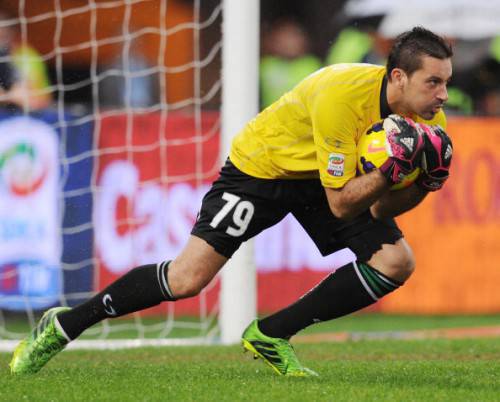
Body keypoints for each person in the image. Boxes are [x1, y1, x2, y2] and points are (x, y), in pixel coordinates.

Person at [10, 26, 454, 376]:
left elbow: (379, 208)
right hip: (262, 169)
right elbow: (342, 205)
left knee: (395, 261)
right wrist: (390, 172)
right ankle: (66, 324)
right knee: (186, 279)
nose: (443, 95)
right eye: (433, 82)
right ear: (398, 76)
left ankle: (271, 334)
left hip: (318, 180)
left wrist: (422, 185)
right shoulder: (342, 94)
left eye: (445, 83)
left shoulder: (428, 120)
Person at [260, 18, 322, 109]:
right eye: (283, 38)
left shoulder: (311, 65)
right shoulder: (266, 65)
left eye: (293, 37)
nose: (288, 44)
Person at [0, 11, 52, 110]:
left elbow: (37, 100)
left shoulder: (26, 56)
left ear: (12, 33)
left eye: (3, 33)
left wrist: (8, 96)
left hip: (23, 113)